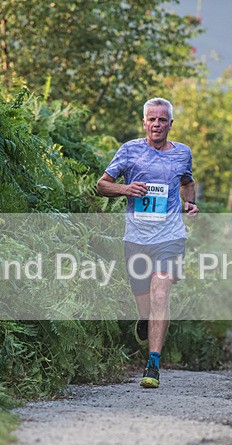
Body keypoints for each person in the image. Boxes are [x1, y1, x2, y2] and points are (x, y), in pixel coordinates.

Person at [96, 97, 199, 388]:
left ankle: (153, 363)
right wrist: (125, 188)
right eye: (151, 119)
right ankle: (144, 320)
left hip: (170, 236)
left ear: (170, 124)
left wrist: (190, 204)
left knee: (161, 293)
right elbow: (101, 185)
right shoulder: (129, 151)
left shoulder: (182, 153)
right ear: (144, 123)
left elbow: (187, 182)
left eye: (162, 120)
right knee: (145, 306)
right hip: (137, 239)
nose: (157, 124)